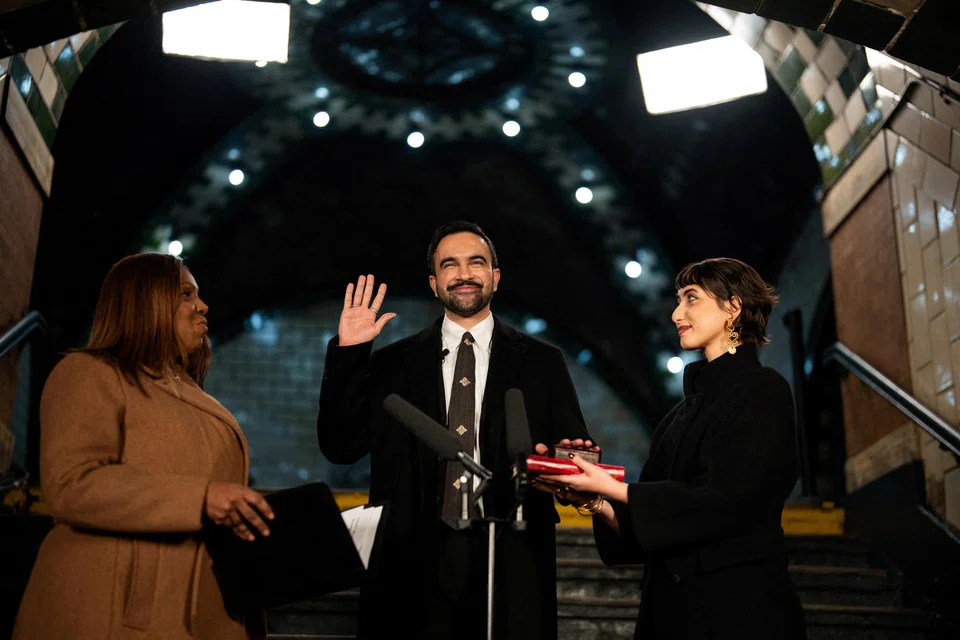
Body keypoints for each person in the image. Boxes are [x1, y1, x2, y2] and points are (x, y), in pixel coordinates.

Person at [317, 221, 598, 639]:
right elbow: (341, 446)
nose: (463, 273)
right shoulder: (393, 363)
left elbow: (572, 453)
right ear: (434, 283)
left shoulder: (543, 361)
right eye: (449, 265)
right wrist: (350, 354)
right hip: (411, 564)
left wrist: (571, 462)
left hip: (512, 556)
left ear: (495, 277)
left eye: (476, 262)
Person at [536, 257, 806, 640]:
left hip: (737, 613)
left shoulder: (764, 390)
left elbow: (727, 499)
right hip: (668, 615)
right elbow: (648, 529)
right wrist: (594, 498)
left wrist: (613, 487)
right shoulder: (678, 415)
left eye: (691, 298)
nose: (677, 313)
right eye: (678, 300)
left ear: (733, 307)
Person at [14, 253, 274, 640]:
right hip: (111, 610)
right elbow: (72, 484)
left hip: (202, 613)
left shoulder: (194, 399)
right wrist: (201, 498)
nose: (202, 305)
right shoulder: (88, 374)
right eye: (186, 294)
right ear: (144, 301)